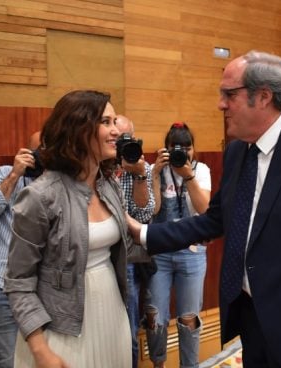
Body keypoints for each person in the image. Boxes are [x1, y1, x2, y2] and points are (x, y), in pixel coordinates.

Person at [130, 50, 281, 367]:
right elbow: (216, 219)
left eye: (229, 94)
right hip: (252, 317)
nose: (220, 104)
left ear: (263, 97)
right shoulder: (236, 152)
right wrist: (143, 233)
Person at [5, 90, 142, 367]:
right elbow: (18, 282)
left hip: (112, 313)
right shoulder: (41, 196)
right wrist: (40, 350)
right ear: (78, 129)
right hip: (62, 328)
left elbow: (129, 244)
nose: (116, 131)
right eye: (106, 122)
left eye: (115, 121)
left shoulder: (108, 185)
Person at [144, 122, 211, 368]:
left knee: (189, 318)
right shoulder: (157, 169)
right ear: (166, 149)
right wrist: (153, 175)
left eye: (188, 147)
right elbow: (155, 210)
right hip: (160, 252)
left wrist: (188, 176)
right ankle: (158, 363)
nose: (182, 153)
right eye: (176, 148)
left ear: (194, 149)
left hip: (192, 253)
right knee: (154, 316)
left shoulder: (200, 169)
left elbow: (204, 209)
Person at [0, 131, 41, 368]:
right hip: (0, 286)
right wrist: (15, 175)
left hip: (42, 290)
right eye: (37, 152)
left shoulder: (61, 182)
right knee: (6, 363)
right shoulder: (5, 174)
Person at [116, 114, 155, 368]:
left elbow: (144, 214)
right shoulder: (95, 167)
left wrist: (139, 175)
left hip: (127, 259)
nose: (122, 145)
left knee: (127, 332)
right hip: (95, 259)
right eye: (119, 140)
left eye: (127, 139)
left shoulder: (143, 168)